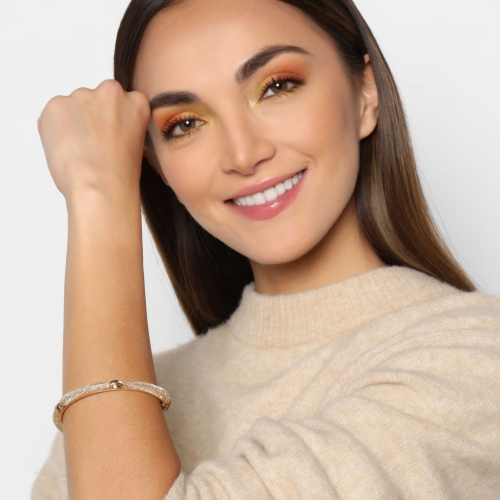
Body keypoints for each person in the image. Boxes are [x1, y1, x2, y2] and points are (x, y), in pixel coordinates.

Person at [32, 0, 500, 498]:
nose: (243, 153)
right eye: (185, 123)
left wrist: (101, 195)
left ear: (365, 93)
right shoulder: (115, 406)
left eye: (276, 86)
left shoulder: (475, 359)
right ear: (158, 166)